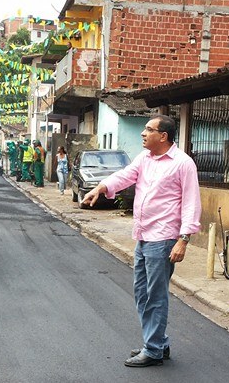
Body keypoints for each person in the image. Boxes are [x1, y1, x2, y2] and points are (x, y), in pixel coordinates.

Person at [82, 115, 201, 368]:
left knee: (156, 296)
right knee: (141, 294)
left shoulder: (183, 164)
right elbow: (124, 176)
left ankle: (154, 349)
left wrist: (184, 239)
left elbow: (191, 203)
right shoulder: (144, 159)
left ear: (163, 136)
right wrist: (101, 187)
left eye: (149, 129)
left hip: (165, 238)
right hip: (144, 236)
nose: (143, 133)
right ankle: (158, 341)